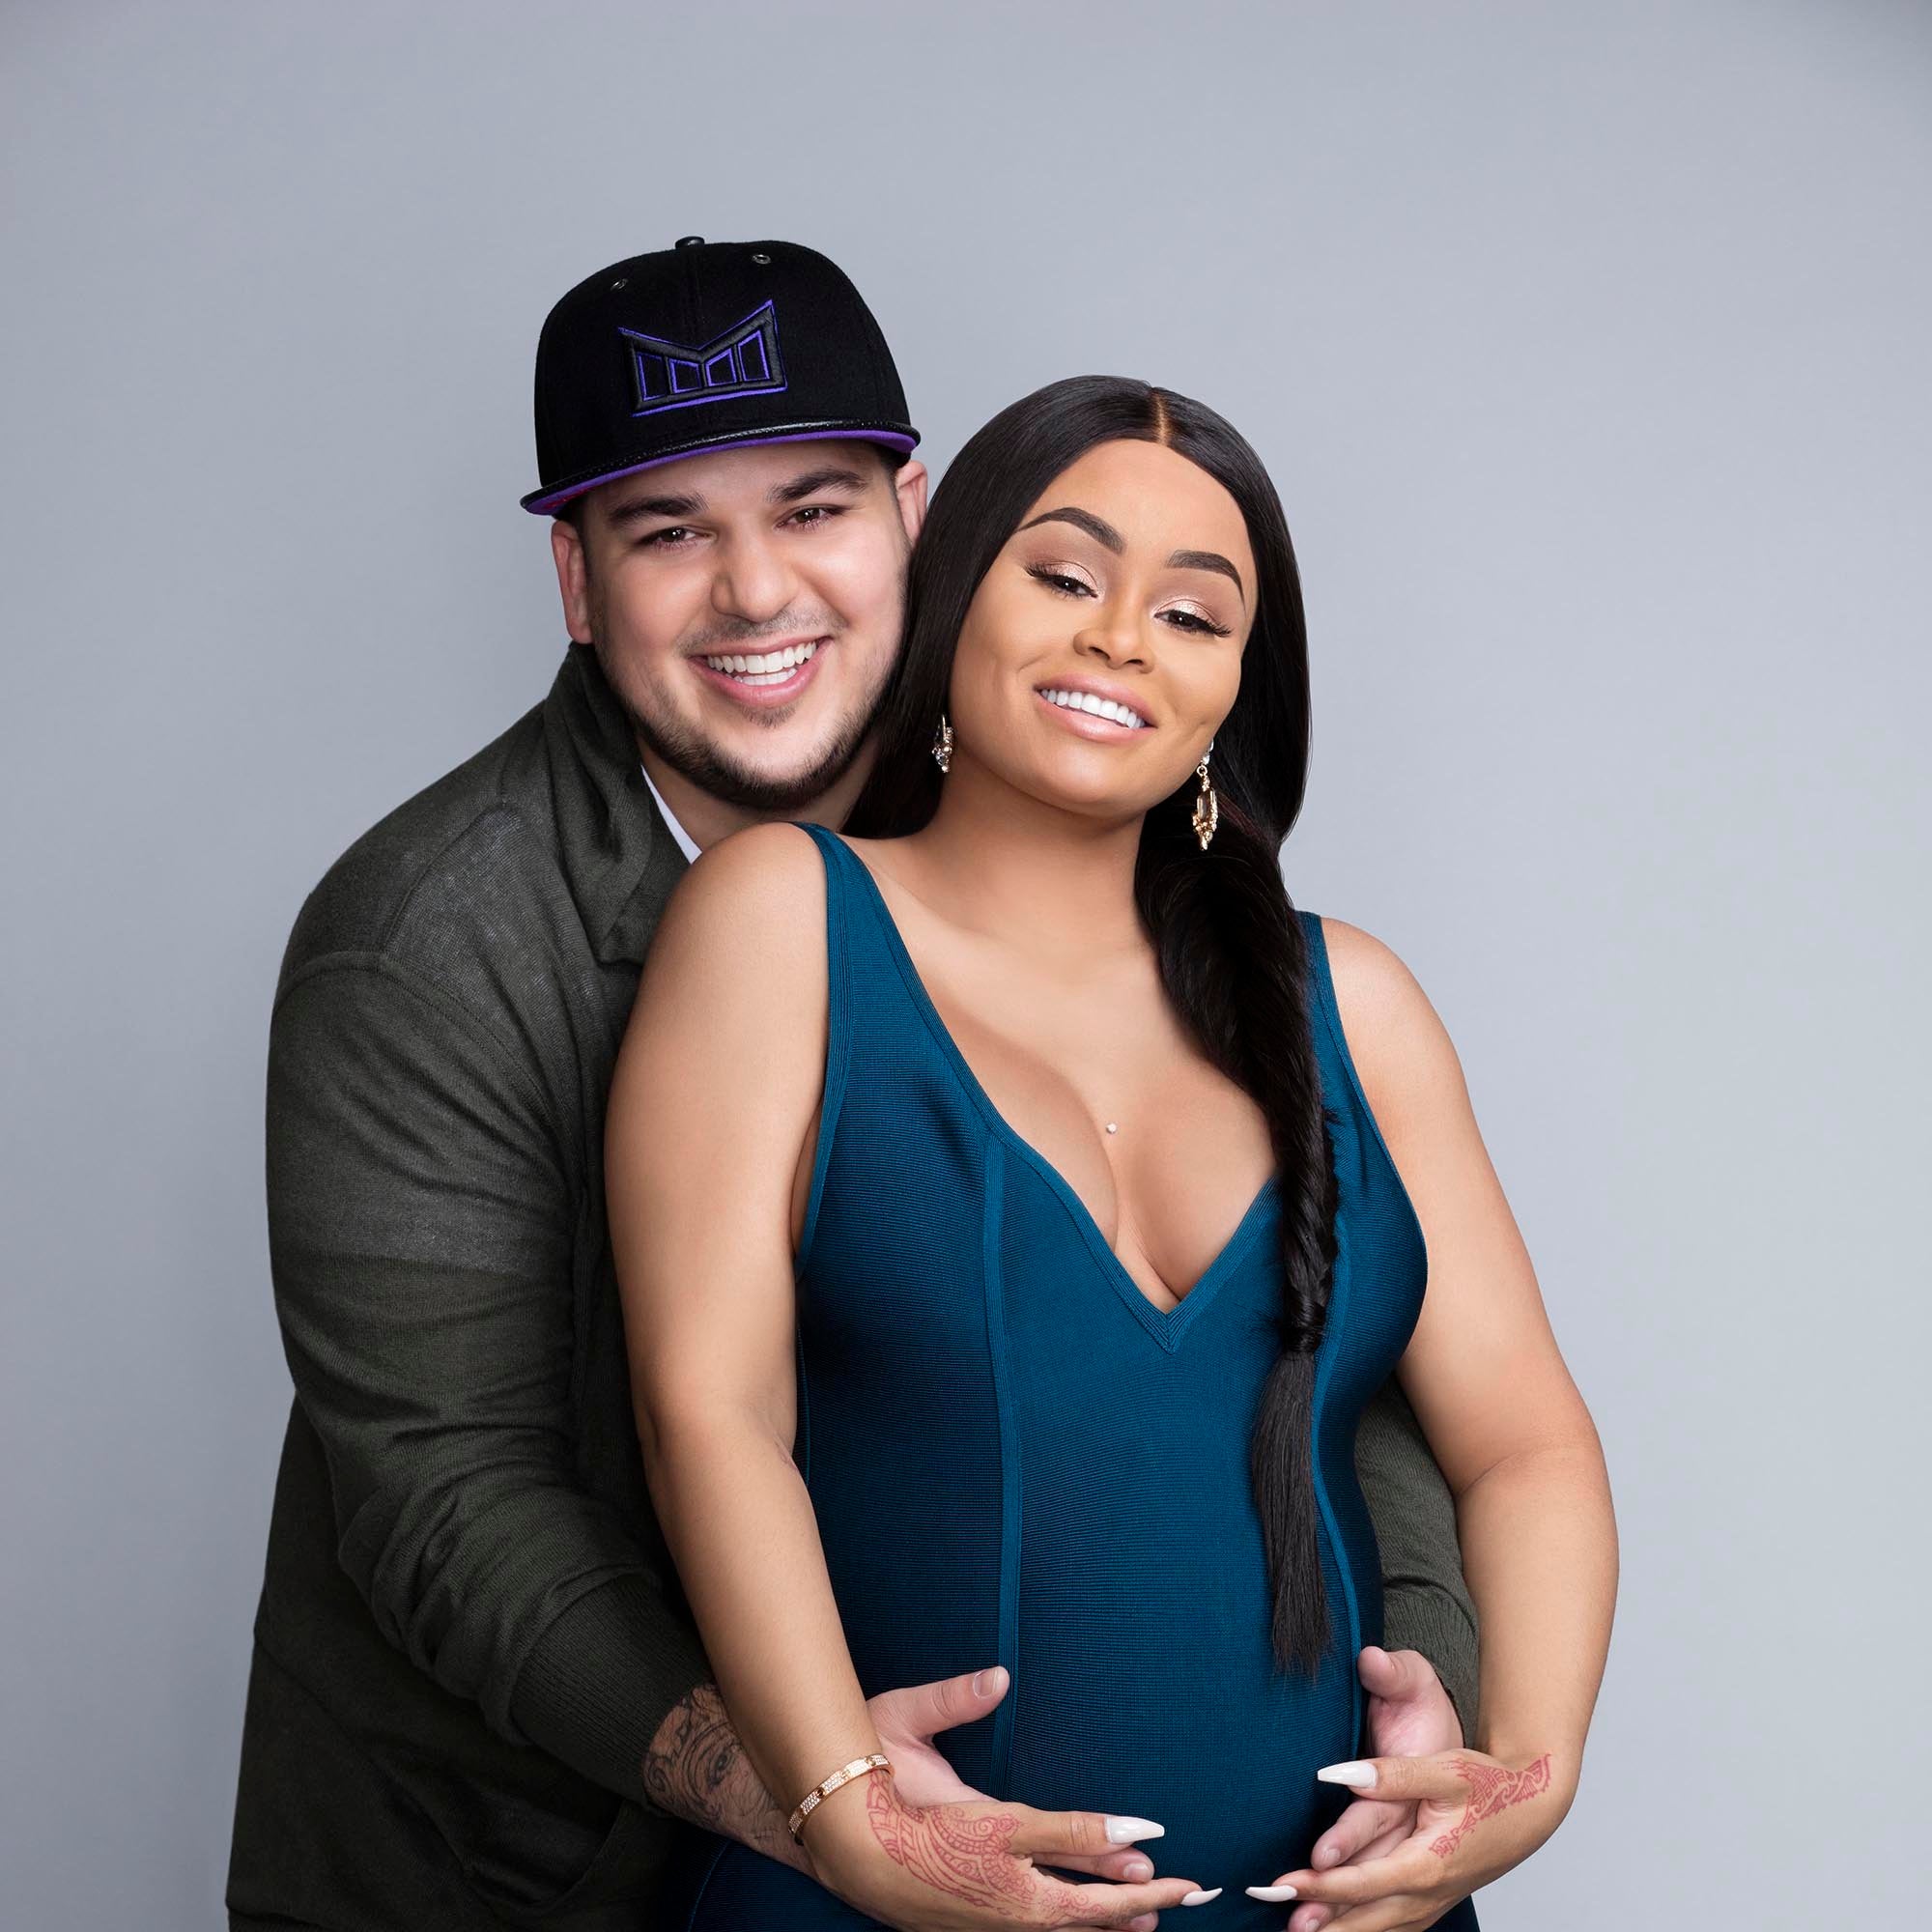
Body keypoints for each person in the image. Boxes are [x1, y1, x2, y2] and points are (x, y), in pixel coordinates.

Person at [226, 240, 1485, 1932]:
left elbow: (1320, 1325)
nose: (757, 594)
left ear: (916, 522)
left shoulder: (1066, 787)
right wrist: (821, 1802)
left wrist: (1427, 1676)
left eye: (812, 510)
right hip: (531, 1859)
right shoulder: (428, 943)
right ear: (577, 580)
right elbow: (451, 1500)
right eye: (668, 532)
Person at [604, 375, 1616, 1931]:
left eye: (1192, 614)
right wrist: (844, 1808)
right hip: (892, 1902)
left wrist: (1521, 1783)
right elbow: (708, 1412)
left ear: (1232, 692)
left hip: (1337, 1910)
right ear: (955, 598)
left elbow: (1528, 1442)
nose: (1122, 637)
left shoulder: (1353, 1003)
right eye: (1066, 576)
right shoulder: (780, 920)